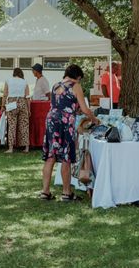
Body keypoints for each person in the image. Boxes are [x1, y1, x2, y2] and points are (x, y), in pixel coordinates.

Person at [40, 64, 99, 202]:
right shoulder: (75, 86)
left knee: (51, 156)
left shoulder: (55, 85)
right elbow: (84, 109)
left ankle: (45, 192)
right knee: (66, 157)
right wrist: (94, 118)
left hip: (51, 120)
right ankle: (66, 193)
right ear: (77, 76)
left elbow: (60, 104)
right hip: (65, 122)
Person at [3, 68, 30, 153]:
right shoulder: (25, 82)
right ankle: (26, 148)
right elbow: (28, 97)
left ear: (13, 73)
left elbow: (5, 94)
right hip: (22, 102)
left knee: (11, 125)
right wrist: (29, 109)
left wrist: (3, 106)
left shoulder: (8, 81)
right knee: (24, 125)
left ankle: (11, 148)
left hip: (11, 103)